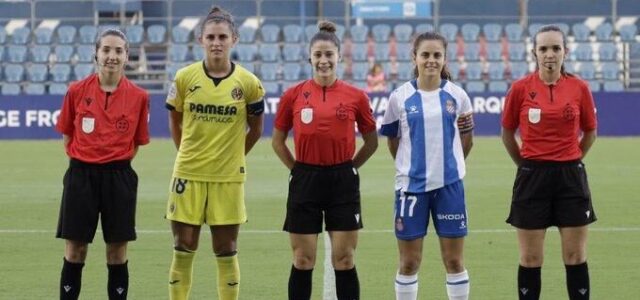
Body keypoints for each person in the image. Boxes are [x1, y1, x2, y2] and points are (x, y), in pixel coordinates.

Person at [272, 20, 379, 300]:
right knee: (302, 259)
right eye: (318, 55)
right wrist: (296, 169)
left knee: (344, 259)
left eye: (329, 55)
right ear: (310, 57)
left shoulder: (356, 96)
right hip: (305, 179)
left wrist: (350, 168)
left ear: (339, 57)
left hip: (342, 180)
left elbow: (371, 141)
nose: (323, 61)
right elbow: (277, 140)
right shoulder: (292, 95)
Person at [164, 6, 265, 300]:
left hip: (228, 178)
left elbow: (256, 129)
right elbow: (174, 117)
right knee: (183, 246)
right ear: (201, 40)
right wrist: (185, 152)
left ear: (234, 39)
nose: (216, 42)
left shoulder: (248, 83)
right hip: (188, 174)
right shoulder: (184, 77)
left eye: (222, 36)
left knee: (226, 248)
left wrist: (234, 156)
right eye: (211, 37)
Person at [501, 25, 597, 300]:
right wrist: (525, 164)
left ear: (565, 52)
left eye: (556, 48)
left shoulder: (580, 88)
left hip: (570, 178)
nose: (550, 54)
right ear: (534, 53)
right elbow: (507, 133)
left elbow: (590, 132)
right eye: (543, 48)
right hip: (532, 177)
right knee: (531, 258)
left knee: (575, 255)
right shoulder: (520, 89)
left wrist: (571, 158)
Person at [55, 28, 150, 300]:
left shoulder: (140, 97)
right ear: (96, 53)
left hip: (119, 177)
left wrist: (113, 163)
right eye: (106, 50)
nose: (112, 56)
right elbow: (67, 136)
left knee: (117, 252)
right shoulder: (75, 91)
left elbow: (135, 144)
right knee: (75, 250)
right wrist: (88, 160)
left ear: (127, 56)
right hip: (80, 175)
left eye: (118, 50)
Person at [380, 31, 474, 300]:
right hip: (411, 189)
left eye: (437, 55)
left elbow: (467, 140)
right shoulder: (400, 97)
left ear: (444, 59)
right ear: (415, 57)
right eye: (425, 55)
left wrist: (448, 165)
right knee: (409, 263)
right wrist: (413, 166)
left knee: (454, 262)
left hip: (450, 188)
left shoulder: (458, 96)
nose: (431, 60)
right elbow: (393, 142)